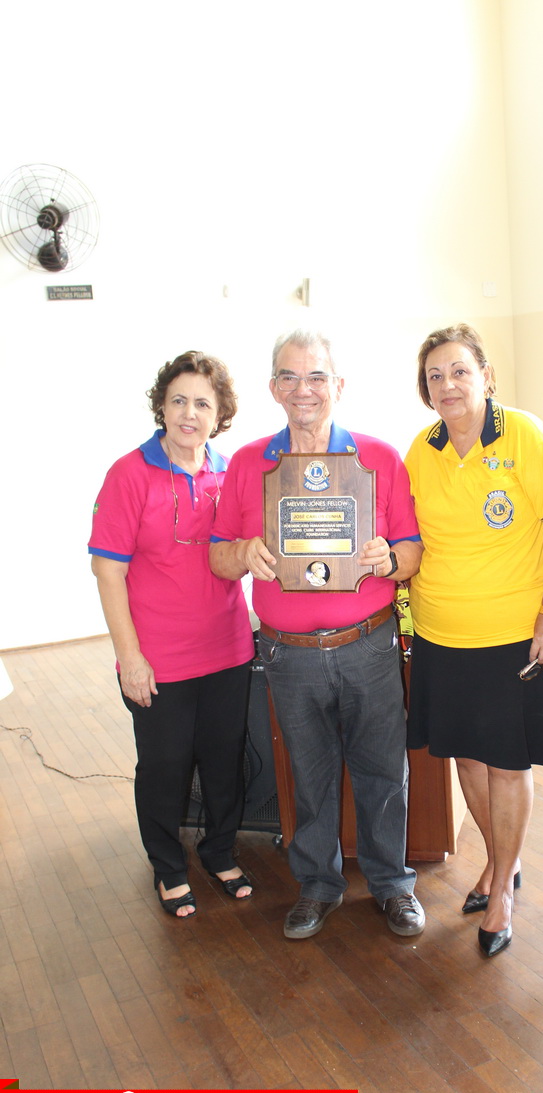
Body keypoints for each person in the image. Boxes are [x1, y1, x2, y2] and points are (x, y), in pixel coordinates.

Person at [209, 328, 425, 940]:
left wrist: (389, 559)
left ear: (338, 385)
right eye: (290, 376)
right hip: (289, 654)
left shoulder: (379, 458)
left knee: (383, 773)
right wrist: (243, 552)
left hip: (368, 646)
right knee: (309, 775)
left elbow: (412, 552)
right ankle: (319, 886)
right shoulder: (249, 463)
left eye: (316, 376)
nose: (303, 389)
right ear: (273, 387)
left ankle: (392, 885)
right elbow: (217, 557)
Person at [405, 324, 543, 958]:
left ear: (485, 376)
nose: (447, 385)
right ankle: (503, 860)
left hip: (512, 637)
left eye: (459, 371)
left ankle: (502, 887)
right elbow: (410, 540)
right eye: (435, 376)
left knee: (506, 763)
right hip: (441, 636)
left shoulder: (523, 435)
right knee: (467, 761)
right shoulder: (421, 450)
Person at [89, 351, 255, 917]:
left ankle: (219, 851)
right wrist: (129, 657)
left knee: (224, 760)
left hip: (228, 649)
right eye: (178, 400)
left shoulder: (230, 473)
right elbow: (108, 572)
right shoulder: (128, 474)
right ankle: (167, 866)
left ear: (219, 414)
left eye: (202, 404)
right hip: (158, 658)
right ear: (161, 406)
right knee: (164, 766)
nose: (189, 413)